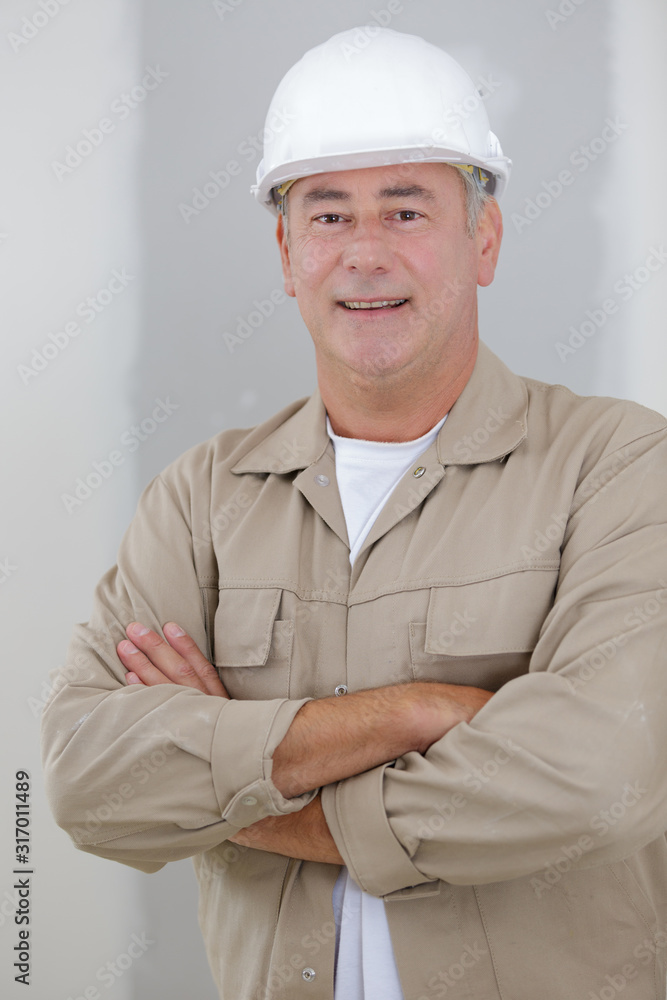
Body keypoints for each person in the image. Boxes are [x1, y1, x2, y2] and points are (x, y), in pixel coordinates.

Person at [41, 26, 667, 1000]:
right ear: (286, 252)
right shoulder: (202, 499)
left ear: (483, 240)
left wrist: (231, 787)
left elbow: (600, 777)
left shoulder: (620, 467)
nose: (365, 254)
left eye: (405, 210)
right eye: (328, 215)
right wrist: (414, 712)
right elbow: (87, 778)